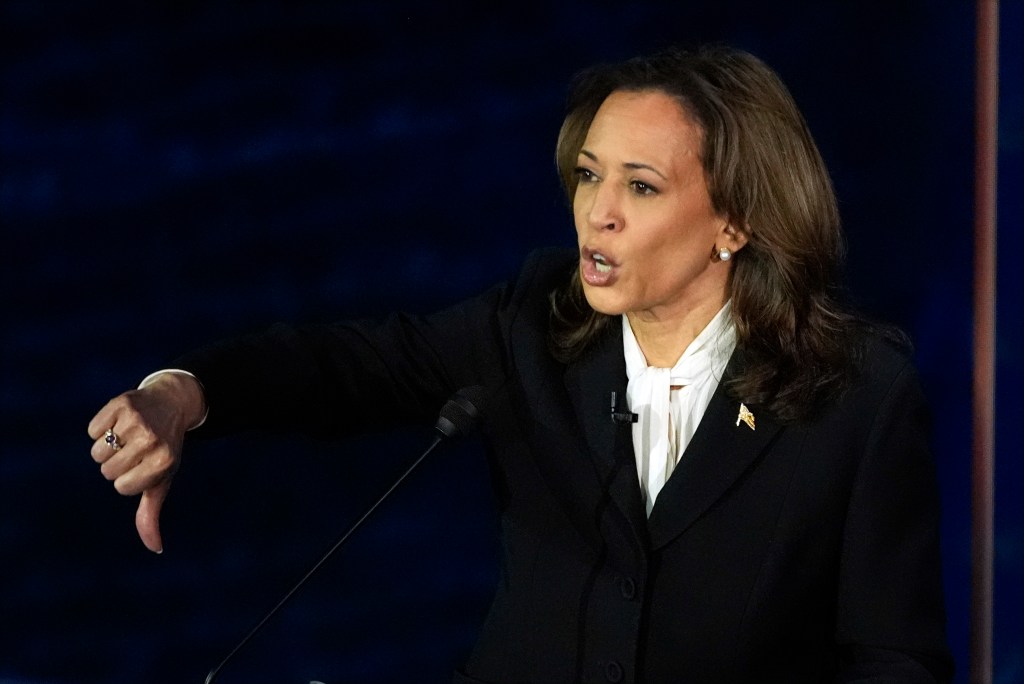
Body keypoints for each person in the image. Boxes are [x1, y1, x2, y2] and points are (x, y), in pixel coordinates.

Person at [88, 45, 952, 683]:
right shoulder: (532, 328)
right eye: (588, 176)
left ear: (736, 223)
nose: (596, 215)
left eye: (640, 187)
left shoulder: (853, 393)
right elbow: (347, 366)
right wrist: (183, 394)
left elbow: (894, 658)